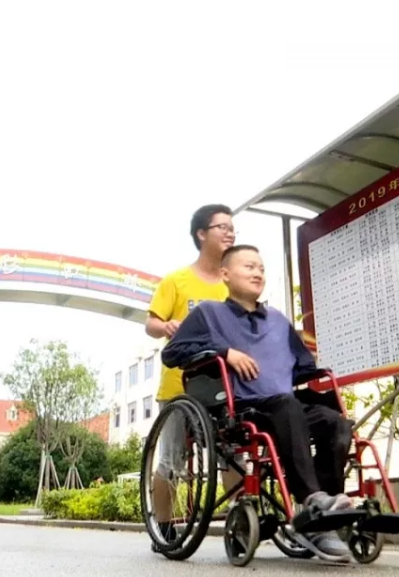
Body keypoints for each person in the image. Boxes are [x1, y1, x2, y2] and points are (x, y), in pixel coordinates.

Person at [161, 244, 355, 562]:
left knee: (335, 422)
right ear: (225, 274)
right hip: (242, 407)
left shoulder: (278, 321)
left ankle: (326, 514)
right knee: (287, 406)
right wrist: (225, 352)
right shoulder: (208, 314)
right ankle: (311, 501)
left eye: (261, 268)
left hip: (286, 406)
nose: (257, 273)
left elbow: (304, 366)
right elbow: (172, 353)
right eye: (249, 267)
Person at [145, 204, 245, 548]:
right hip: (179, 387)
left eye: (232, 227)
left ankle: (240, 522)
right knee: (171, 461)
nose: (230, 233)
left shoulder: (233, 284)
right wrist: (166, 326)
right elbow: (151, 323)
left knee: (233, 455)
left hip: (222, 386)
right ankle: (163, 528)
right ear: (202, 234)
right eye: (222, 227)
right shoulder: (177, 281)